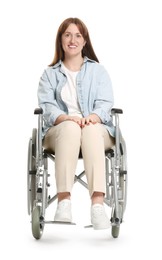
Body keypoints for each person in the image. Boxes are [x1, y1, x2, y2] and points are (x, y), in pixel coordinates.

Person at [37, 17, 115, 230]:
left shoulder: (98, 71)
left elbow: (106, 103)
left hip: (96, 130)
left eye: (78, 35)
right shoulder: (49, 74)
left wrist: (95, 117)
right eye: (67, 34)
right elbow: (47, 106)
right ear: (60, 40)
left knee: (89, 129)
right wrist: (66, 118)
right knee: (71, 127)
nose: (73, 39)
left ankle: (98, 206)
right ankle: (64, 202)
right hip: (60, 131)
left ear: (85, 41)